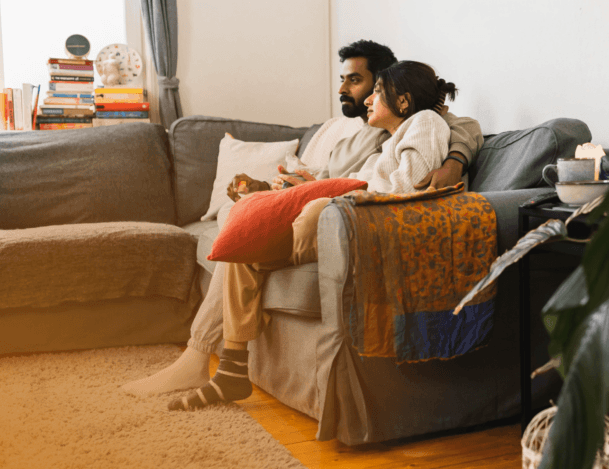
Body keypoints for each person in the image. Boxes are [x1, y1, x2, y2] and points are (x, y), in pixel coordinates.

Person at [121, 41, 482, 397]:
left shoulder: (415, 122)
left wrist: (455, 162)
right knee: (242, 239)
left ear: (386, 88)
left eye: (356, 81)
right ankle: (224, 368)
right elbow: (327, 177)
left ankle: (201, 356)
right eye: (342, 79)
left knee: (247, 228)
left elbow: (457, 127)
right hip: (325, 205)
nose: (344, 89)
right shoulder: (349, 136)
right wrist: (279, 188)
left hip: (343, 215)